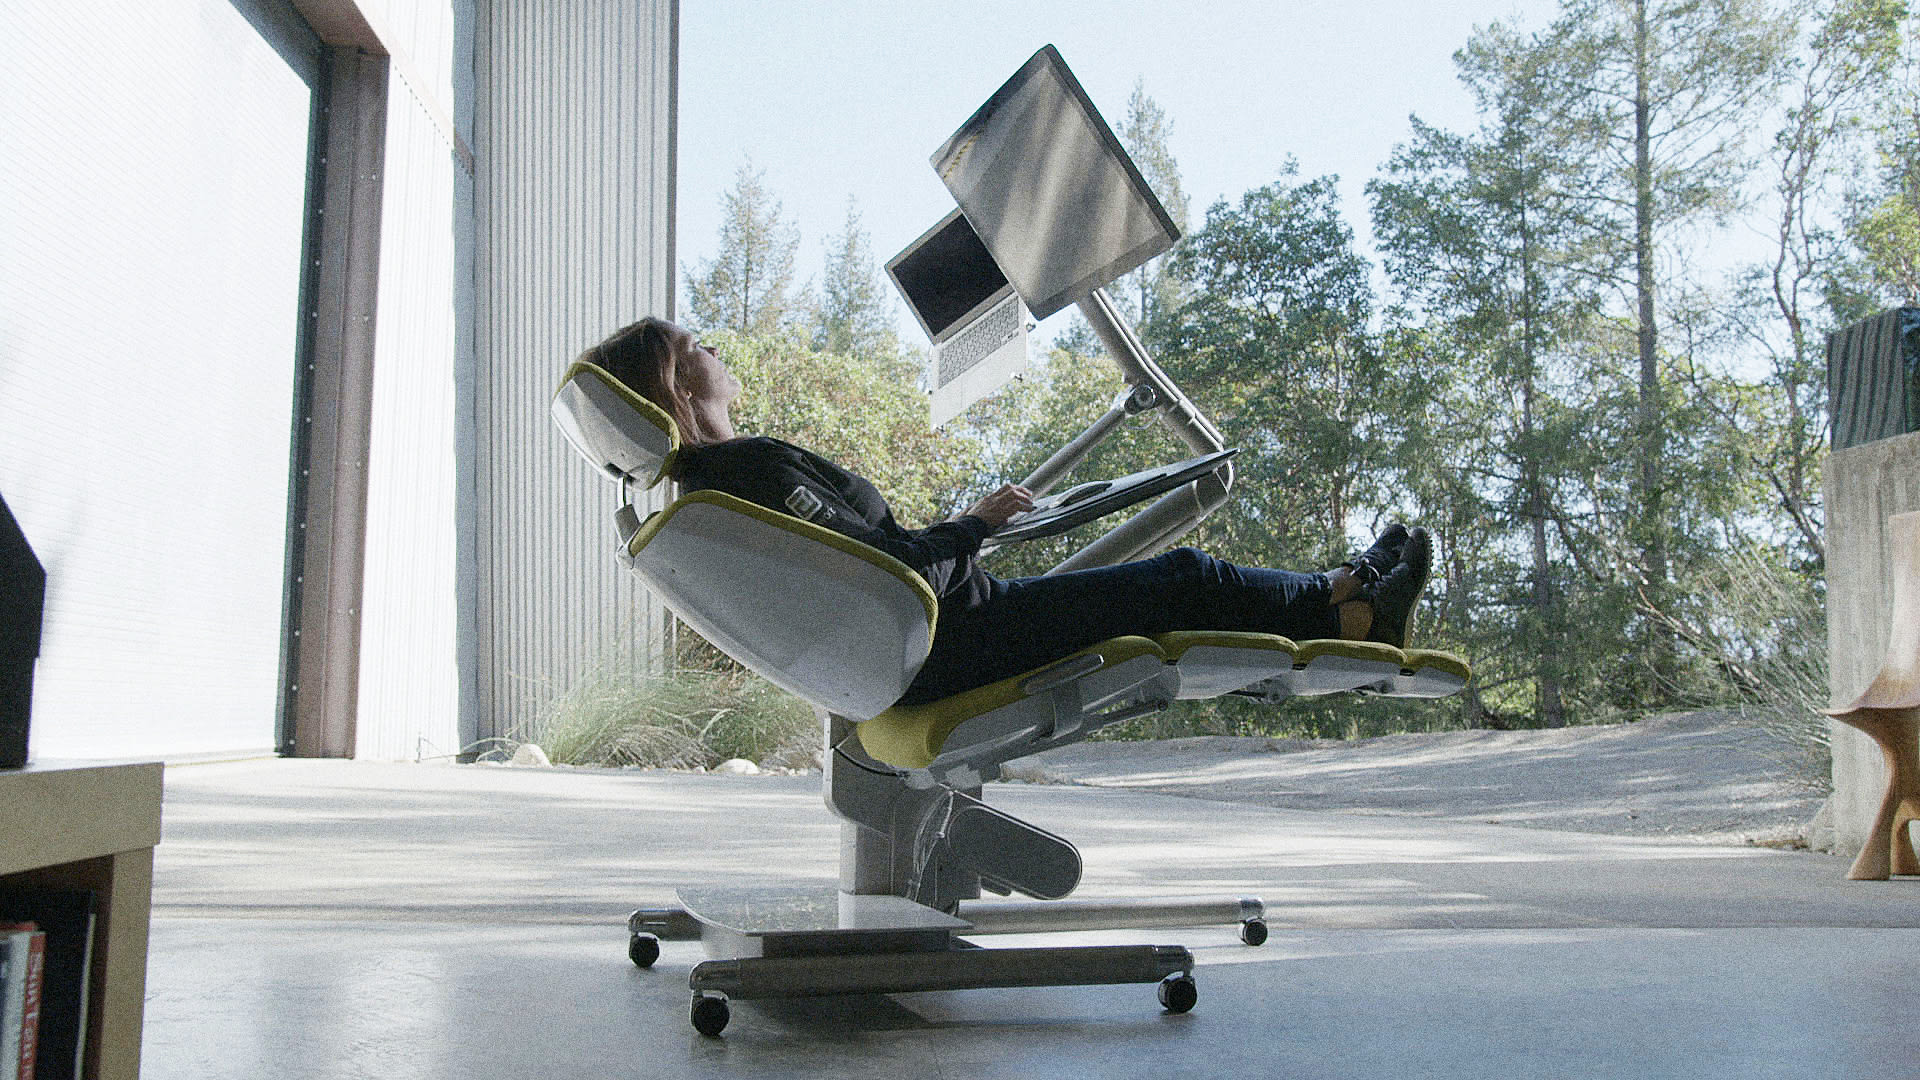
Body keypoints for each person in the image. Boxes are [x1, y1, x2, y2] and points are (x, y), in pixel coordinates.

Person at [580, 317, 1432, 706]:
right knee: (1186, 575)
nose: (715, 347)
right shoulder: (749, 473)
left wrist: (968, 529)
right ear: (676, 385)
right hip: (956, 646)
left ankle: (1345, 595)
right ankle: (1348, 607)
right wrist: (977, 526)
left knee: (1177, 579)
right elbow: (896, 572)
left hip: (928, 645)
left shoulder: (708, 496)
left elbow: (866, 564)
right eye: (697, 347)